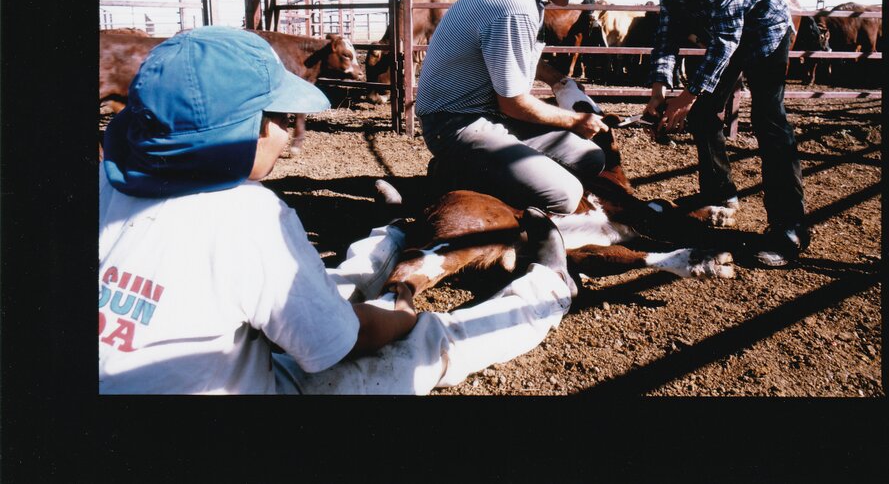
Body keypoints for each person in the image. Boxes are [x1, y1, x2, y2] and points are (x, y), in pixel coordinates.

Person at [99, 26, 575, 395]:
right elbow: (345, 343)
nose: (289, 135)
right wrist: (403, 310)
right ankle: (547, 288)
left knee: (300, 296)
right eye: (283, 118)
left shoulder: (102, 186)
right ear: (244, 132)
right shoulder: (249, 214)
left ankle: (385, 235)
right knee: (425, 344)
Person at [627, 0, 809, 267]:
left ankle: (790, 228)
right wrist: (658, 89)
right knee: (703, 113)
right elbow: (666, 37)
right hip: (727, 39)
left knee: (768, 120)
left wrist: (687, 95)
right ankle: (719, 194)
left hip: (765, 32)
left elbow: (726, 42)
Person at [415, 0, 613, 215]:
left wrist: (558, 80)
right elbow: (513, 103)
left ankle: (471, 170)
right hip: (454, 123)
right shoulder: (516, 4)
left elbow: (511, 56)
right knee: (564, 195)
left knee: (590, 159)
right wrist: (575, 121)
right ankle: (452, 172)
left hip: (484, 113)